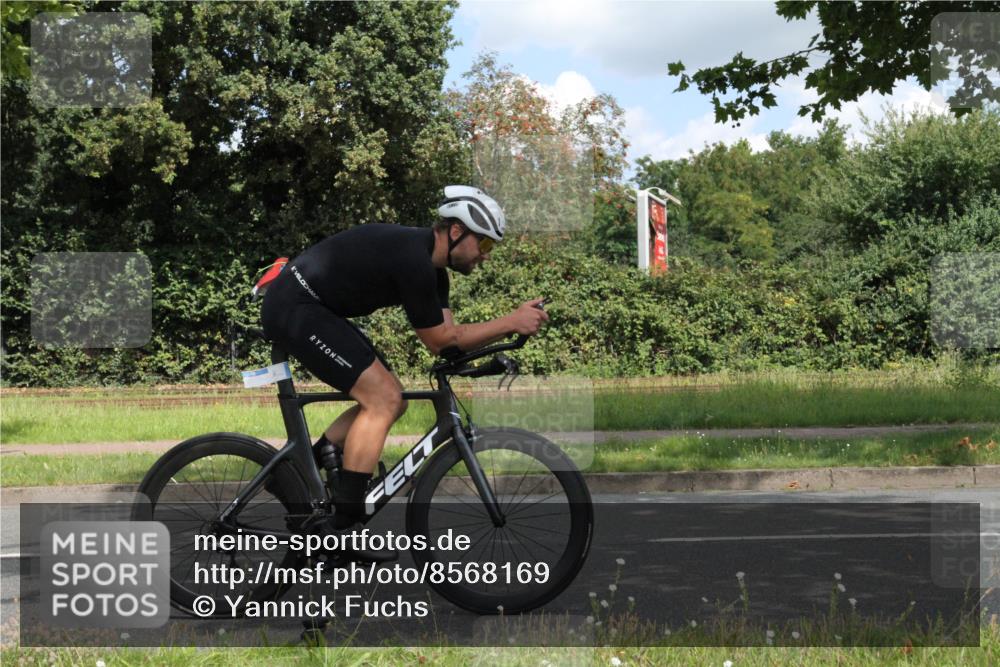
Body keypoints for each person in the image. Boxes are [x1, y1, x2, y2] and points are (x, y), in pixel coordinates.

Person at [260, 185, 548, 550]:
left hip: (313, 308)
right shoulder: (413, 259)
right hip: (295, 307)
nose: (486, 256)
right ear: (457, 231)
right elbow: (441, 340)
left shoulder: (433, 272)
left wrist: (499, 343)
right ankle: (343, 527)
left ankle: (304, 470)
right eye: (486, 244)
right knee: (382, 399)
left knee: (394, 400)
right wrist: (509, 322)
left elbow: (449, 342)